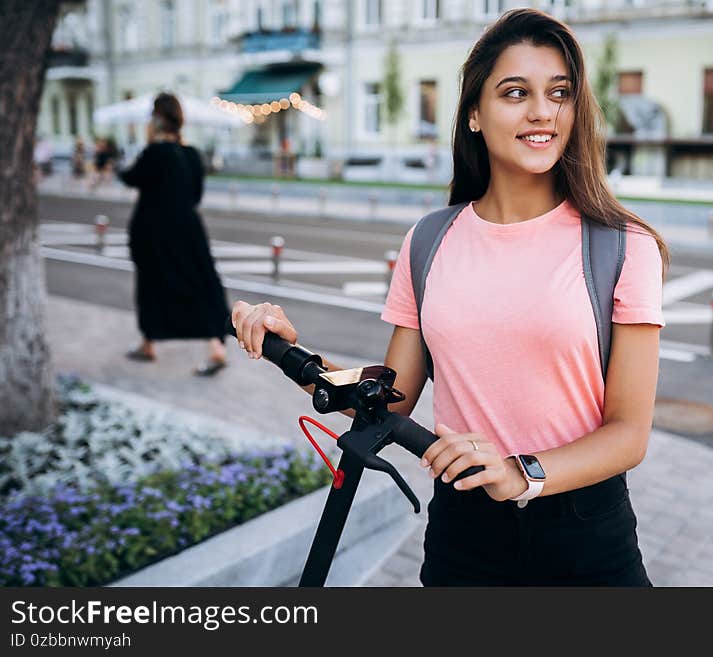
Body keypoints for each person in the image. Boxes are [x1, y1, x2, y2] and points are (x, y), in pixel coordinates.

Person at [232, 8, 669, 585]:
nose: (542, 111)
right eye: (515, 92)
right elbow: (389, 402)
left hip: (585, 533)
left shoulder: (621, 246)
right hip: (465, 534)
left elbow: (629, 433)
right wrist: (291, 352)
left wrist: (523, 472)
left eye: (558, 93)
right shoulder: (430, 241)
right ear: (473, 115)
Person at [118, 92, 229, 376]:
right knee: (201, 285)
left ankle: (148, 343)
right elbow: (196, 195)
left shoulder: (154, 153)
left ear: (156, 119)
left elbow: (130, 177)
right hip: (189, 230)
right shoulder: (192, 155)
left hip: (154, 232)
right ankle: (215, 345)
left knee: (152, 286)